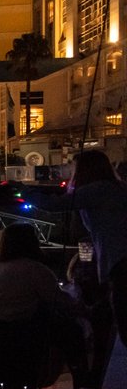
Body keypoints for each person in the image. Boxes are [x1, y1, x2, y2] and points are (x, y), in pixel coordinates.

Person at [0, 223, 86, 389]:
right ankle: (83, 383)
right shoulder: (35, 268)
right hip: (10, 334)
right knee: (71, 331)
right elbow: (61, 302)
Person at [68, 150, 127, 352]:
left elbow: (58, 204)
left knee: (122, 317)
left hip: (118, 261)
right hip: (116, 259)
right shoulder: (115, 188)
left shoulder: (95, 191)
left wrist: (23, 192)